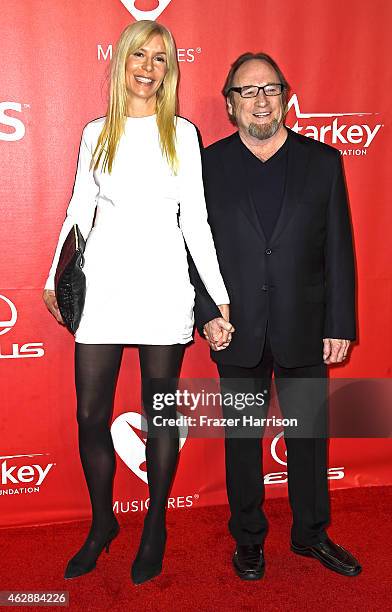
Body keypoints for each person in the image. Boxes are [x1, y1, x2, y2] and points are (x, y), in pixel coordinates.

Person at [43, 20, 232, 585]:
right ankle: (103, 524)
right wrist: (56, 277)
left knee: (161, 413)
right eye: (139, 56)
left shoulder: (183, 133)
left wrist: (218, 298)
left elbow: (196, 222)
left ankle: (155, 525)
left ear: (169, 69)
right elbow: (79, 208)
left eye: (161, 59)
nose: (149, 68)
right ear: (121, 61)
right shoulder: (96, 133)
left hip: (163, 287)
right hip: (103, 284)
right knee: (90, 414)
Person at [188, 52, 361, 579]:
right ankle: (248, 539)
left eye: (270, 89)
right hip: (234, 328)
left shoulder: (324, 162)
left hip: (305, 327)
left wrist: (340, 324)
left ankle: (311, 535)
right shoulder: (207, 166)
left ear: (285, 97)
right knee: (242, 442)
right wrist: (204, 312)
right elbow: (192, 247)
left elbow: (339, 248)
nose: (260, 100)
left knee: (309, 439)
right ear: (229, 104)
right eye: (248, 91)